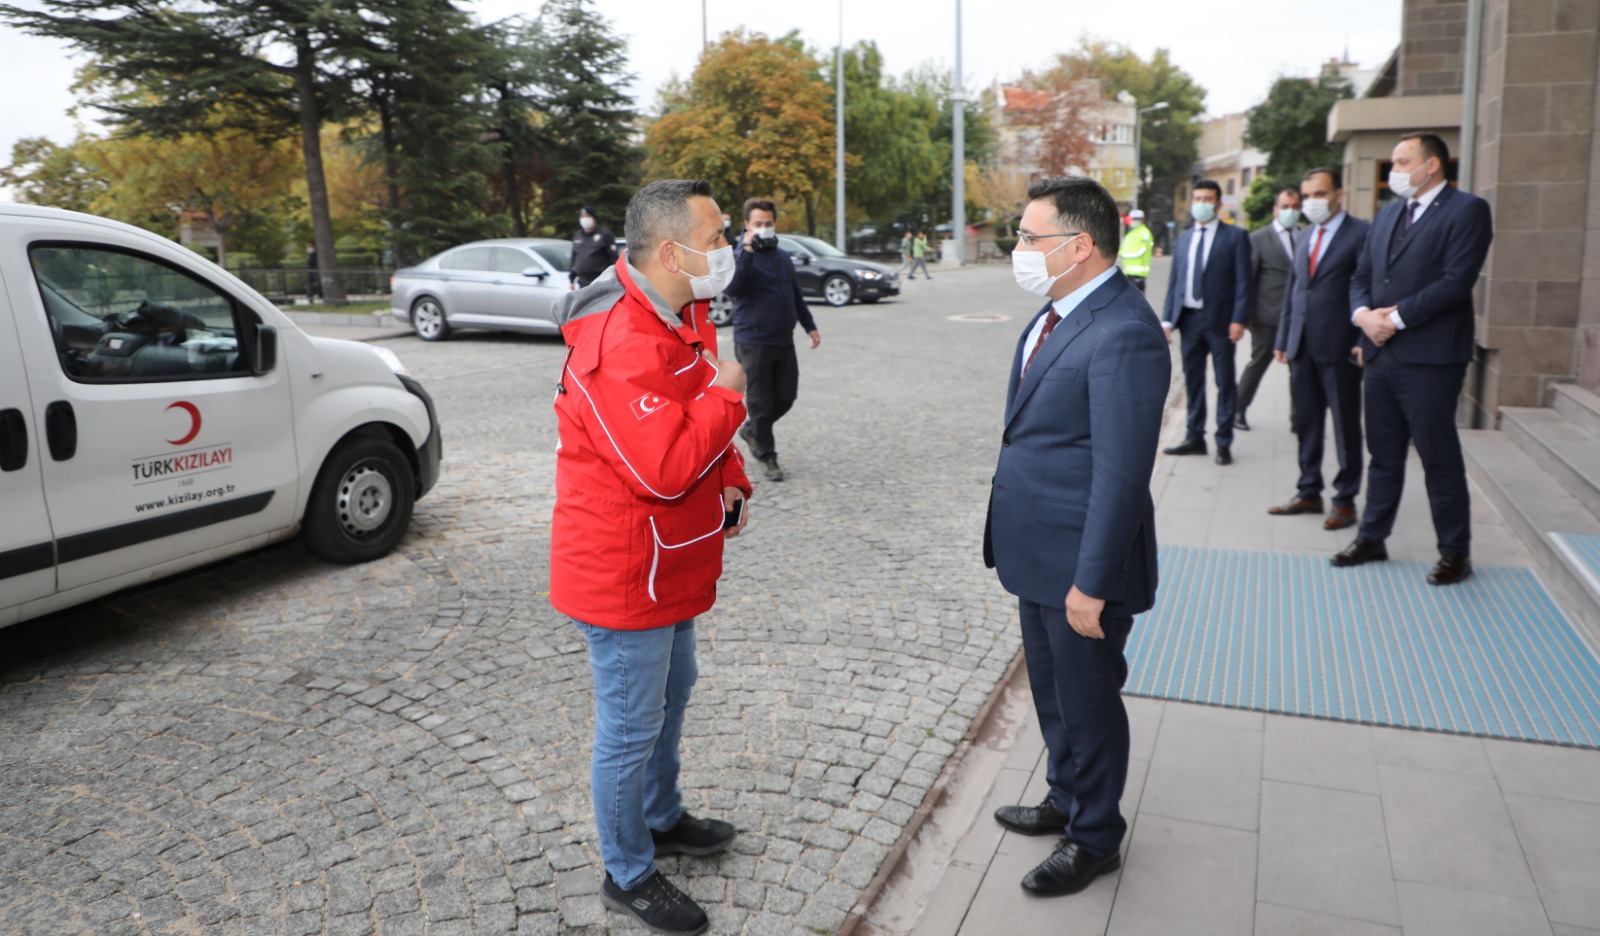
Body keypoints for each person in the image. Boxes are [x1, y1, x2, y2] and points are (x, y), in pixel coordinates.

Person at [549, 179, 753, 936]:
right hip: (624, 570)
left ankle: (662, 816)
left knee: (677, 688)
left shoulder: (682, 306)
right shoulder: (617, 339)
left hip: (674, 558)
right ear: (672, 250)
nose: (727, 247)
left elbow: (693, 404)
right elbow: (662, 467)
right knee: (631, 724)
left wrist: (732, 476)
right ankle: (628, 871)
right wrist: (732, 395)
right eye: (717, 235)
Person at [984, 176, 1170, 897]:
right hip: (1035, 553)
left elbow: (1122, 476)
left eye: (1031, 238)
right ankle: (1065, 795)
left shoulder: (1124, 331)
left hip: (1081, 566)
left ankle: (1094, 837)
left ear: (1081, 245)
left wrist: (1091, 583)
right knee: (1054, 692)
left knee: (1088, 702)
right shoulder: (1052, 314)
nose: (1019, 249)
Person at [1335, 133, 1493, 586]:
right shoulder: (1388, 214)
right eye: (1393, 163)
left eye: (1403, 162)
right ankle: (1373, 536)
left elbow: (1455, 281)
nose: (1394, 171)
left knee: (1436, 456)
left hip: (1431, 359)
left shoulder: (1467, 211)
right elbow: (1362, 275)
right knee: (1382, 454)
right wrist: (1363, 316)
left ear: (1433, 166)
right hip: (1380, 354)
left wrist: (1395, 320)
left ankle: (1454, 552)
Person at [1271, 167, 1371, 531]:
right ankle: (1309, 490)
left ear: (1338, 195)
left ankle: (1344, 500)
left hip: (1341, 345)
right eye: (1307, 195)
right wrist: (1284, 337)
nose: (1312, 202)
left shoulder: (1361, 233)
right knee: (1306, 422)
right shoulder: (1305, 234)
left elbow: (1369, 287)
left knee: (1345, 425)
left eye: (1319, 194)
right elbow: (1295, 288)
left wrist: (1363, 339)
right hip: (1302, 346)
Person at [722, 198, 820, 483]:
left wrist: (809, 326)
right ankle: (768, 456)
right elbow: (733, 288)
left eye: (768, 224)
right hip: (753, 340)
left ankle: (753, 429)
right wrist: (748, 252)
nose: (764, 229)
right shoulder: (740, 254)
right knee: (761, 403)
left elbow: (795, 294)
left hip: (782, 339)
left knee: (786, 397)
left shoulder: (782, 256)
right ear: (747, 225)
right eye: (758, 224)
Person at [1161, 180, 1253, 465]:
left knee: (1225, 382)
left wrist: (1239, 319)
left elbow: (1243, 282)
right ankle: (1194, 437)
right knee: (1194, 381)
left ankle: (1223, 441)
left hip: (1221, 322)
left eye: (1207, 198)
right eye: (1197, 198)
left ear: (1218, 203)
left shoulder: (1235, 237)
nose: (1201, 203)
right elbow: (1175, 281)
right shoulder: (1185, 238)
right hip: (1188, 321)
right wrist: (1167, 319)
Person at [1236, 189, 1302, 431]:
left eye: (1295, 206)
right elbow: (1247, 280)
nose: (1290, 211)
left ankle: (1298, 418)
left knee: (1299, 369)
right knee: (1258, 363)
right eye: (1285, 206)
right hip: (1267, 316)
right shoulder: (1259, 238)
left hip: (1298, 317)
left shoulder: (1305, 235)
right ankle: (1238, 409)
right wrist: (1244, 317)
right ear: (1275, 209)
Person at [570, 205, 619, 289]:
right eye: (582, 216)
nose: (585, 219)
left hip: (600, 281)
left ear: (594, 218)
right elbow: (574, 258)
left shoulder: (605, 234)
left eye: (588, 216)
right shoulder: (577, 235)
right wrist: (571, 279)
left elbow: (614, 258)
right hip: (583, 282)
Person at [1117, 209, 1155, 292]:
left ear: (1142, 220)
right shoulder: (1131, 233)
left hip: (1139, 274)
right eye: (1132, 219)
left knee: (1136, 301)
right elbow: (1123, 248)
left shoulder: (1145, 233)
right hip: (1127, 272)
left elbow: (1141, 251)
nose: (1133, 221)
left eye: (1135, 219)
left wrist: (1124, 255)